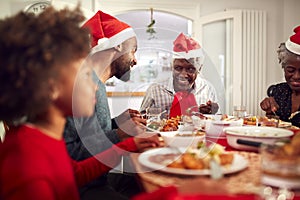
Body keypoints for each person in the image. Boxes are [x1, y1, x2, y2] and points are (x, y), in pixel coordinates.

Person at [0, 6, 160, 200]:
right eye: (84, 75)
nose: (95, 86)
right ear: (51, 85)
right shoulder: (30, 174)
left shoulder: (44, 137)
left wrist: (129, 144)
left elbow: (74, 173)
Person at [63, 10, 147, 200]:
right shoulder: (80, 85)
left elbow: (86, 132)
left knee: (140, 180)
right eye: (133, 50)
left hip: (99, 177)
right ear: (117, 46)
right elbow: (68, 155)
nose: (135, 60)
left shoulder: (95, 83)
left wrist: (118, 122)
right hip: (83, 188)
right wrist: (118, 134)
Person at [140, 33, 219, 116]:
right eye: (178, 68)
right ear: (172, 67)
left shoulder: (207, 89)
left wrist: (211, 113)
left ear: (199, 69)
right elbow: (139, 120)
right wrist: (155, 118)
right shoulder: (155, 90)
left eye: (190, 69)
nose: (183, 75)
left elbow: (218, 121)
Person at [260, 25, 300, 127]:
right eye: (290, 70)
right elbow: (273, 129)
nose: (296, 76)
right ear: (284, 67)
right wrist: (269, 113)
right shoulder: (279, 92)